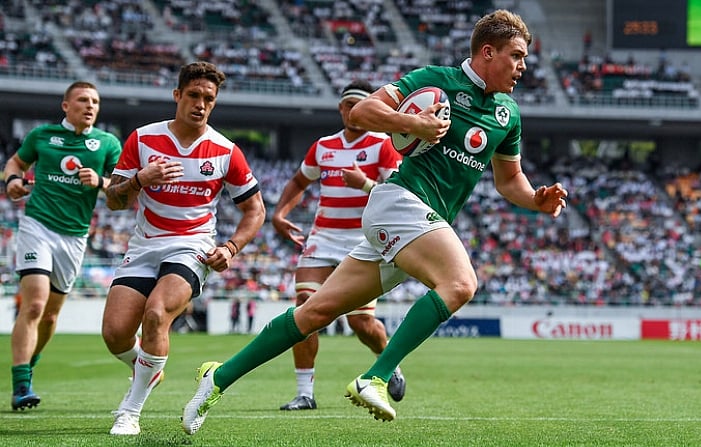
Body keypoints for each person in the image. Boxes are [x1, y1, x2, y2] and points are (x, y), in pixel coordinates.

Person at [182, 10, 567, 434]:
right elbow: (363, 112)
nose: (523, 66)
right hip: (398, 202)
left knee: (315, 313)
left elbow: (509, 179)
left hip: (420, 220)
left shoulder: (508, 113)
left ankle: (216, 379)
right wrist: (412, 122)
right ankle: (376, 376)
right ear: (488, 52)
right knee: (460, 283)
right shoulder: (434, 79)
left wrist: (536, 200)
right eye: (516, 55)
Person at [102, 61, 265, 436]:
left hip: (192, 245)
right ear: (177, 95)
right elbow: (113, 200)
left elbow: (255, 210)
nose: (201, 104)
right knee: (115, 334)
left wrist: (232, 247)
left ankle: (130, 411)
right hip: (144, 245)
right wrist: (140, 180)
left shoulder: (226, 150)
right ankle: (149, 367)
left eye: (209, 98)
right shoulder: (143, 139)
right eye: (193, 95)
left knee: (157, 313)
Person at [271, 80, 405, 411]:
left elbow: (400, 193)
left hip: (364, 240)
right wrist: (279, 213)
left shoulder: (382, 145)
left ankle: (390, 364)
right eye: (348, 105)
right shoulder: (324, 146)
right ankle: (305, 392)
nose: (353, 111)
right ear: (341, 109)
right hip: (323, 237)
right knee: (304, 306)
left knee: (360, 324)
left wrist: (365, 183)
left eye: (360, 104)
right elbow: (300, 181)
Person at [4, 81, 121, 411]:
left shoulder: (108, 144)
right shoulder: (41, 136)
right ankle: (21, 385)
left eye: (95, 101)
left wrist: (100, 182)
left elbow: (126, 187)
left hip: (75, 236)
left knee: (51, 316)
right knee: (35, 305)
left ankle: (29, 363)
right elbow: (15, 164)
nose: (90, 106)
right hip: (37, 226)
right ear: (66, 106)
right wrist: (13, 181)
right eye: (83, 100)